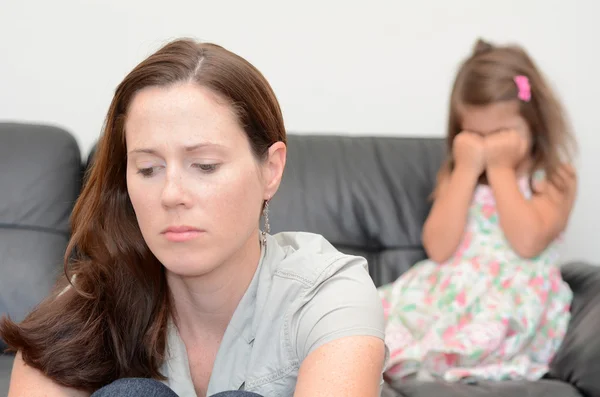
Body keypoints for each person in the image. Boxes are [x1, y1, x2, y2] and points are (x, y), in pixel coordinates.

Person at [0, 38, 387, 397]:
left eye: (204, 165)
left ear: (270, 169)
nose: (171, 195)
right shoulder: (93, 298)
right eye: (149, 169)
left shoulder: (326, 293)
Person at [379, 38, 577, 384]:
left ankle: (438, 365)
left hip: (511, 293)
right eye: (474, 134)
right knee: (376, 316)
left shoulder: (554, 178)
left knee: (491, 325)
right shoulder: (459, 177)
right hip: (449, 288)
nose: (486, 146)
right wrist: (466, 172)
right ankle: (401, 362)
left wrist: (500, 170)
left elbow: (527, 242)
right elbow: (438, 248)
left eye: (501, 132)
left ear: (534, 122)